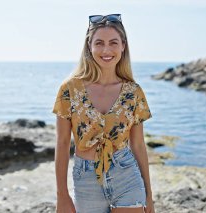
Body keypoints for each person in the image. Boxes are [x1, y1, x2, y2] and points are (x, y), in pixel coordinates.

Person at [52, 14, 155, 213]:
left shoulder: (133, 92)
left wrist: (149, 195)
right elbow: (62, 143)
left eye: (113, 43)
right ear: (89, 46)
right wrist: (62, 195)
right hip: (86, 179)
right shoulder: (70, 89)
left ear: (123, 46)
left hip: (127, 175)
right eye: (99, 43)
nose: (106, 50)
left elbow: (138, 145)